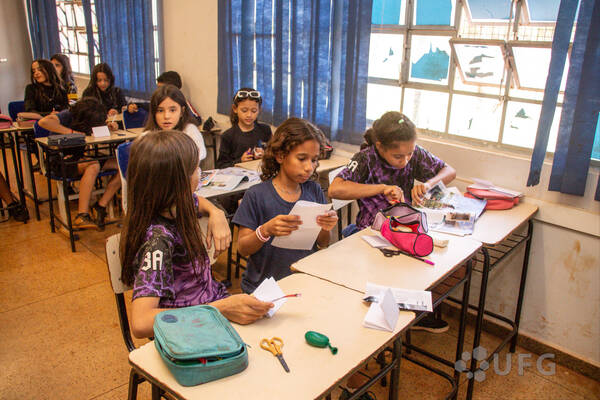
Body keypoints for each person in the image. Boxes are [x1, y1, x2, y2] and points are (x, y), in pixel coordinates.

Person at [119, 130, 272, 339]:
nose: (200, 172)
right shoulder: (158, 242)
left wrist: (216, 212)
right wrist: (222, 309)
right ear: (176, 181)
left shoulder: (174, 203)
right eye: (195, 168)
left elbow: (197, 200)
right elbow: (141, 323)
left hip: (210, 306)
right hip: (191, 329)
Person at [328, 111, 456, 333]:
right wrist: (381, 188)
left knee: (441, 265)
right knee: (395, 270)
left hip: (405, 229)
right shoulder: (366, 159)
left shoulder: (413, 153)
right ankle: (387, 317)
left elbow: (449, 171)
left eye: (409, 154)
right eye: (398, 156)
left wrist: (428, 184)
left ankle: (412, 313)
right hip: (372, 233)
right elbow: (335, 189)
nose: (405, 161)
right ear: (380, 146)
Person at [233, 117, 338, 294]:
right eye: (302, 159)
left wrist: (326, 227)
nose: (309, 167)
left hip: (302, 283)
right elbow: (243, 248)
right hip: (263, 289)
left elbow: (323, 243)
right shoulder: (256, 195)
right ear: (280, 156)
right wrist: (265, 230)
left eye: (314, 160)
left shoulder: (314, 190)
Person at [39, 97, 121, 230]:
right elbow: (44, 122)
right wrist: (71, 132)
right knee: (93, 165)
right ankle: (82, 215)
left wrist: (108, 127)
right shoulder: (67, 115)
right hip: (59, 161)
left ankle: (100, 206)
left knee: (124, 164)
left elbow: (89, 132)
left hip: (81, 157)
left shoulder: (89, 119)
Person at [144, 85, 207, 162]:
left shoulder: (190, 130)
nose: (166, 116)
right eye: (160, 111)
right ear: (154, 113)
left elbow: (200, 153)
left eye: (172, 110)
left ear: (182, 111)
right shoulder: (147, 137)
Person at [216, 88, 272, 169]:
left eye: (254, 111)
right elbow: (220, 166)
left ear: (259, 110)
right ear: (235, 109)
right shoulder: (228, 136)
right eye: (244, 110)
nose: (249, 115)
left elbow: (275, 156)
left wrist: (265, 155)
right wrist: (240, 161)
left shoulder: (265, 130)